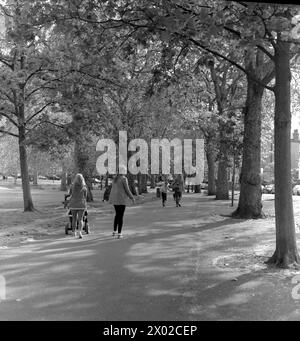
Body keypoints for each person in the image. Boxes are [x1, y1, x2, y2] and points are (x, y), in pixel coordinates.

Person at [109, 167, 135, 238]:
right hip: (121, 199)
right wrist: (132, 197)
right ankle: (119, 233)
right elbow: (127, 189)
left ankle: (114, 231)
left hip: (115, 199)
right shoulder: (124, 178)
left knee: (117, 214)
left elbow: (113, 189)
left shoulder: (115, 178)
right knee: (121, 216)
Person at [68, 173, 87, 239]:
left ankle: (73, 232)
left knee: (74, 218)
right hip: (81, 204)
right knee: (80, 219)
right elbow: (85, 197)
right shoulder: (84, 188)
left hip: (73, 204)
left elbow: (70, 194)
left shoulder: (72, 187)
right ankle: (80, 232)